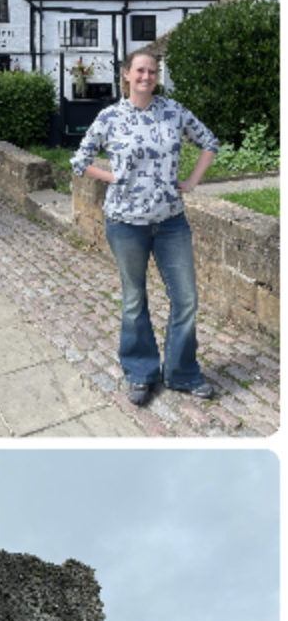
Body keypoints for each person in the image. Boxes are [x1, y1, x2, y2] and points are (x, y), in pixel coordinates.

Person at [70, 50, 218, 406]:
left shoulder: (173, 111)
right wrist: (113, 177)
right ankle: (140, 373)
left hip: (171, 223)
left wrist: (192, 182)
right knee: (135, 300)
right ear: (126, 75)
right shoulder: (109, 117)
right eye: (140, 70)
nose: (146, 76)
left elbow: (209, 142)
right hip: (125, 224)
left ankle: (181, 373)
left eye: (152, 71)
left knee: (186, 299)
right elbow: (79, 161)